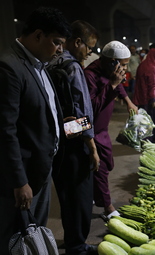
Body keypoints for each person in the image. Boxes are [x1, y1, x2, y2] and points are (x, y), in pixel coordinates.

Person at [0, 7, 70, 254]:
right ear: (38, 35)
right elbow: (6, 130)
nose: (60, 49)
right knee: (15, 238)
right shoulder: (9, 68)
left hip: (41, 168)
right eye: (56, 42)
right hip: (24, 177)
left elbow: (41, 110)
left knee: (35, 233)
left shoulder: (38, 64)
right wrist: (19, 182)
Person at [48, 20, 100, 255]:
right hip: (76, 141)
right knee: (80, 197)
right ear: (77, 42)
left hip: (59, 139)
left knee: (66, 195)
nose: (89, 52)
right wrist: (92, 145)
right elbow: (82, 112)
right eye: (88, 47)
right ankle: (77, 246)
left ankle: (73, 242)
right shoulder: (73, 67)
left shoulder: (49, 63)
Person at [84, 41, 138, 222]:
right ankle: (108, 207)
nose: (124, 69)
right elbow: (91, 108)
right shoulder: (90, 75)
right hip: (93, 131)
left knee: (107, 163)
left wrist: (128, 100)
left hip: (104, 129)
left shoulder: (110, 71)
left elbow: (120, 83)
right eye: (122, 65)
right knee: (101, 168)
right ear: (112, 61)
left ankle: (94, 195)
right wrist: (112, 85)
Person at [133, 47, 155, 143]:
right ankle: (153, 140)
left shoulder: (142, 65)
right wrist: (154, 99)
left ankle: (144, 139)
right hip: (151, 98)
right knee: (153, 120)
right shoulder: (152, 68)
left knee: (144, 120)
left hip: (142, 96)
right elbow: (153, 84)